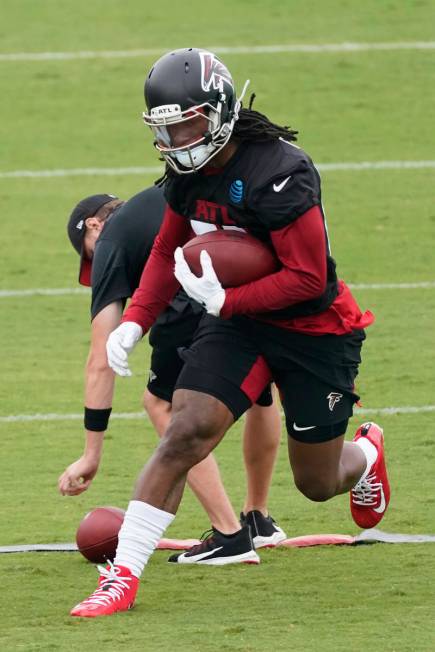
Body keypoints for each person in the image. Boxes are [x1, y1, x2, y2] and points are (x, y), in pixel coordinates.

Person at [70, 48, 390, 618]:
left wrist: (227, 298)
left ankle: (365, 454)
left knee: (316, 482)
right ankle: (121, 578)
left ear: (218, 111)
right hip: (239, 325)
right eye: (164, 128)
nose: (176, 139)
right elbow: (169, 245)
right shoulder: (185, 171)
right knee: (184, 431)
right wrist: (136, 321)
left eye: (185, 123)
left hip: (312, 328)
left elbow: (309, 278)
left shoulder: (280, 171)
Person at [58, 186, 286, 564]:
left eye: (88, 252)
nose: (94, 261)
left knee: (161, 402)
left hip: (192, 298)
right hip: (250, 282)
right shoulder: (168, 195)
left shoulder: (112, 240)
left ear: (94, 225)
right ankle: (258, 519)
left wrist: (91, 454)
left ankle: (230, 536)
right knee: (260, 390)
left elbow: (100, 358)